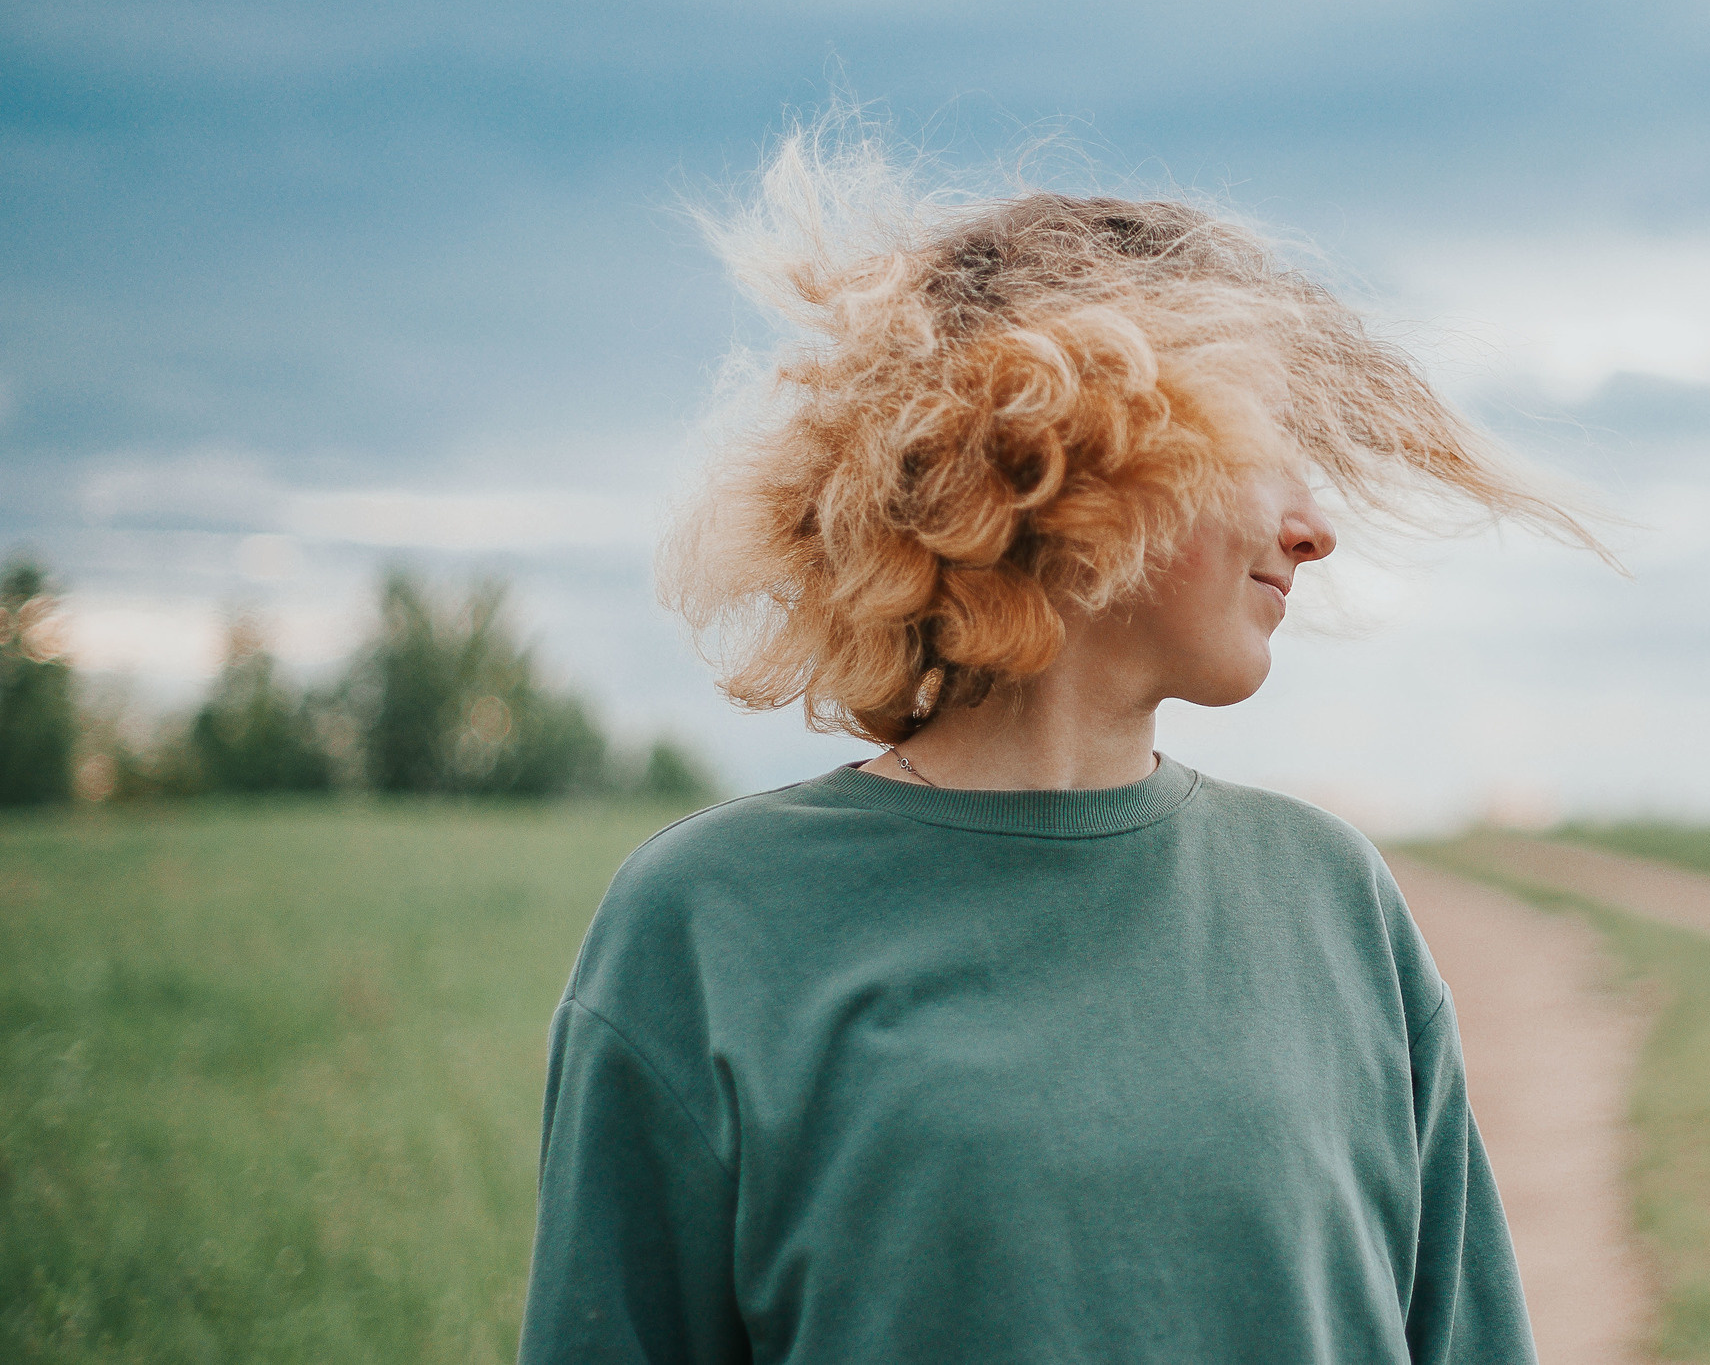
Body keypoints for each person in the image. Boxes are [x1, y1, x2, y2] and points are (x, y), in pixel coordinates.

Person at [518, 138, 1608, 1364]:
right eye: (1268, 451)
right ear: (1076, 447)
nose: (1315, 531)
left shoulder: (1330, 897)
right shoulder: (708, 920)